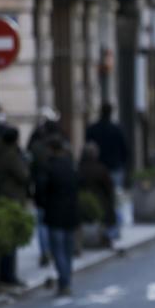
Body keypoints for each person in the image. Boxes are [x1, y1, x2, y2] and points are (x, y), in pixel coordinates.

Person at [34, 136, 79, 296]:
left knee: (58, 250)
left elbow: (41, 191)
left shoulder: (48, 168)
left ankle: (64, 281)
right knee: (67, 250)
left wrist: (42, 204)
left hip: (55, 213)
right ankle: (66, 281)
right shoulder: (70, 166)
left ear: (51, 150)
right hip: (70, 213)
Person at [0, 127, 32, 286]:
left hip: (2, 197)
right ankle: (8, 275)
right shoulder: (11, 155)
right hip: (12, 198)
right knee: (11, 240)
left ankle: (6, 274)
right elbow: (24, 175)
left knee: (7, 239)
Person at [85, 103, 130, 239]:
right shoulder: (116, 129)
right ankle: (114, 228)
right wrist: (121, 163)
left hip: (97, 169)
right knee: (115, 198)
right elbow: (125, 150)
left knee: (99, 198)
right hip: (114, 168)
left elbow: (86, 147)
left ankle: (102, 227)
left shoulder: (92, 129)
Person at [27, 108, 63, 266]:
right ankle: (53, 251)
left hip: (40, 189)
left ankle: (45, 252)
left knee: (42, 222)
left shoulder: (35, 145)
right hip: (52, 189)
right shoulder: (57, 144)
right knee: (52, 222)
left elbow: (28, 164)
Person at [78, 143, 117, 247]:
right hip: (101, 202)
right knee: (104, 222)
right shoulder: (101, 169)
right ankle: (105, 238)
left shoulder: (79, 169)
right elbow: (109, 188)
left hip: (84, 202)